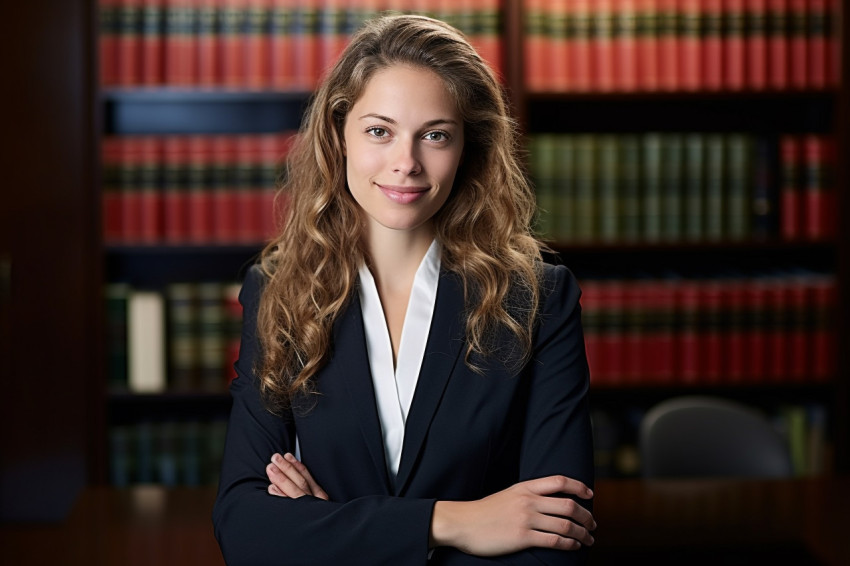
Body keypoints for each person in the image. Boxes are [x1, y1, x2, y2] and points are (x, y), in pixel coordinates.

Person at [213, 14, 596, 565]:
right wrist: (457, 521)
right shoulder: (278, 292)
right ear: (338, 133)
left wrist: (328, 531)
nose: (406, 164)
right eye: (379, 130)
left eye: (435, 135)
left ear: (468, 147)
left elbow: (556, 542)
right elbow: (244, 529)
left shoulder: (537, 299)